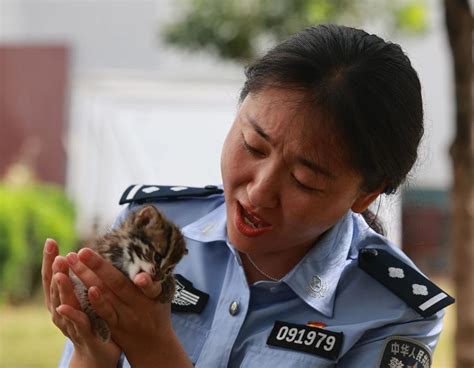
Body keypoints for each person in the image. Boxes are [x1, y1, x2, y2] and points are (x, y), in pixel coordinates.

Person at [42, 24, 454, 367]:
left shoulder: (394, 313)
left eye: (305, 180)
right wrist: (92, 349)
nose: (259, 191)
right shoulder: (152, 228)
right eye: (253, 146)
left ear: (366, 194)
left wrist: (154, 348)